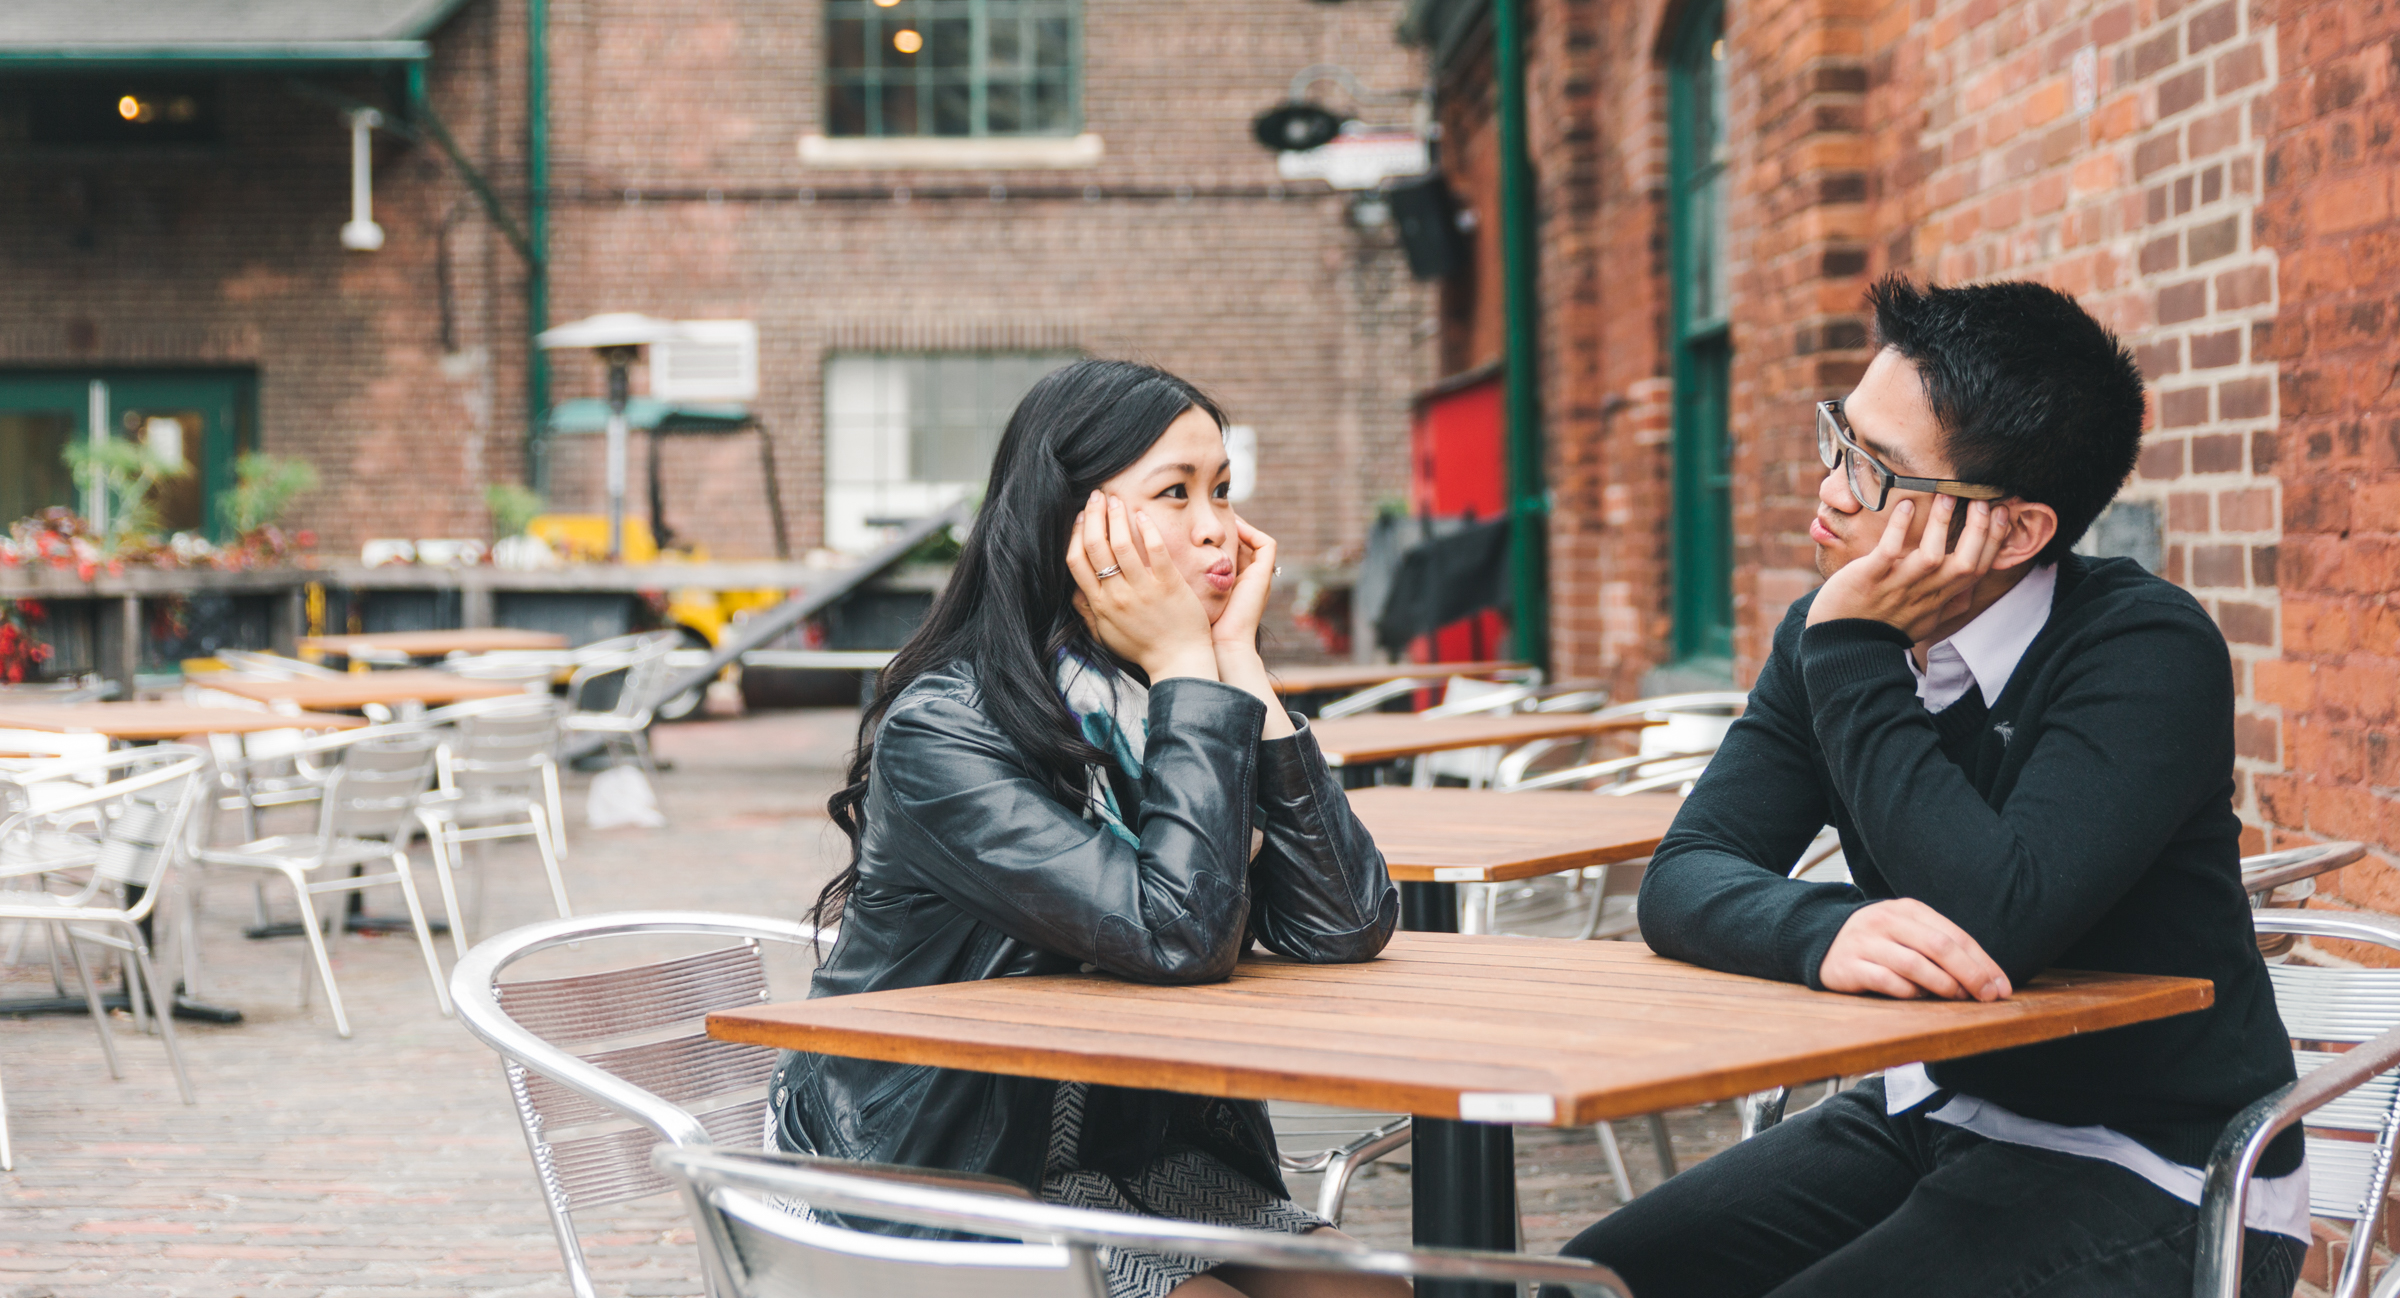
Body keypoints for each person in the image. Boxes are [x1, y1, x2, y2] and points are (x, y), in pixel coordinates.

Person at [1553, 277, 2304, 1297]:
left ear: (2016, 531)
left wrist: (1861, 650)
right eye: (1838, 438)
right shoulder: (1824, 637)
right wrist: (1822, 931)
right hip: (1934, 1113)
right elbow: (1685, 873)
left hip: (2165, 1167)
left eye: (1876, 470)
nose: (1829, 487)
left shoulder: (2142, 649)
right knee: (1593, 1281)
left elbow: (1997, 916)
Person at [773, 358, 1405, 1298]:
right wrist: (1191, 664)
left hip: (1127, 1146)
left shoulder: (1170, 695)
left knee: (1370, 1293)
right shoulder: (947, 729)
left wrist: (1240, 667)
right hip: (937, 1174)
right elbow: (1174, 933)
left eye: (1223, 490)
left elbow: (1344, 924)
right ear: (1073, 522)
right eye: (1175, 493)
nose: (1216, 527)